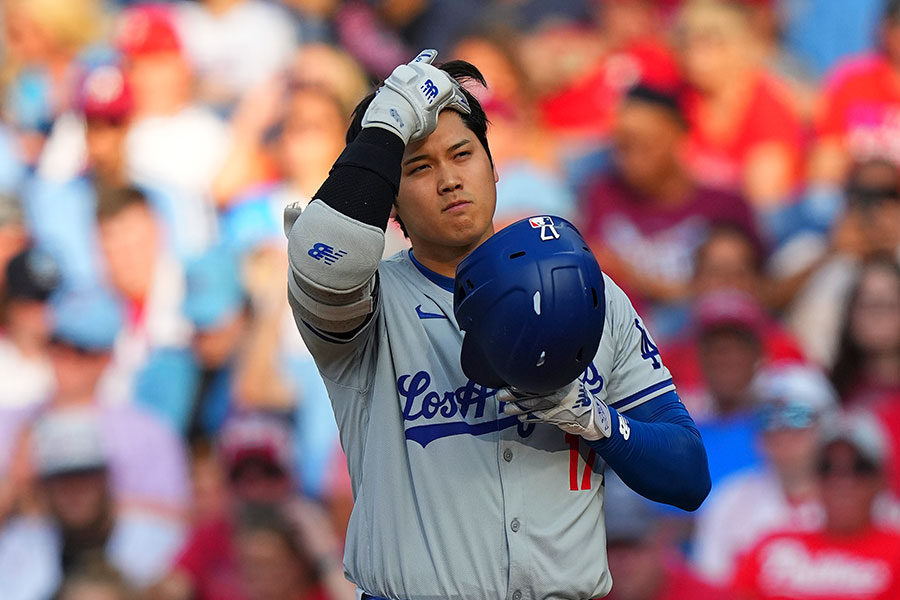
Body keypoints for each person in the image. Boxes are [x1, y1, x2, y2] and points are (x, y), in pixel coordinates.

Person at [283, 49, 710, 600]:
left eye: (462, 154)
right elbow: (325, 257)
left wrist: (597, 422)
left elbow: (688, 474)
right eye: (418, 167)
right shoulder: (369, 303)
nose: (448, 180)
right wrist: (386, 125)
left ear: (493, 164)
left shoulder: (587, 289)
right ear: (390, 202)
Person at [693, 364, 839, 585]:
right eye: (767, 417)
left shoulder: (858, 497)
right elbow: (711, 585)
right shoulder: (729, 499)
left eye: (797, 415)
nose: (780, 429)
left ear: (827, 425)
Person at [731, 410, 900, 599]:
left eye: (858, 468)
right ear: (814, 478)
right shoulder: (772, 545)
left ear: (881, 479)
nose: (841, 481)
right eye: (827, 468)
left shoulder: (896, 550)